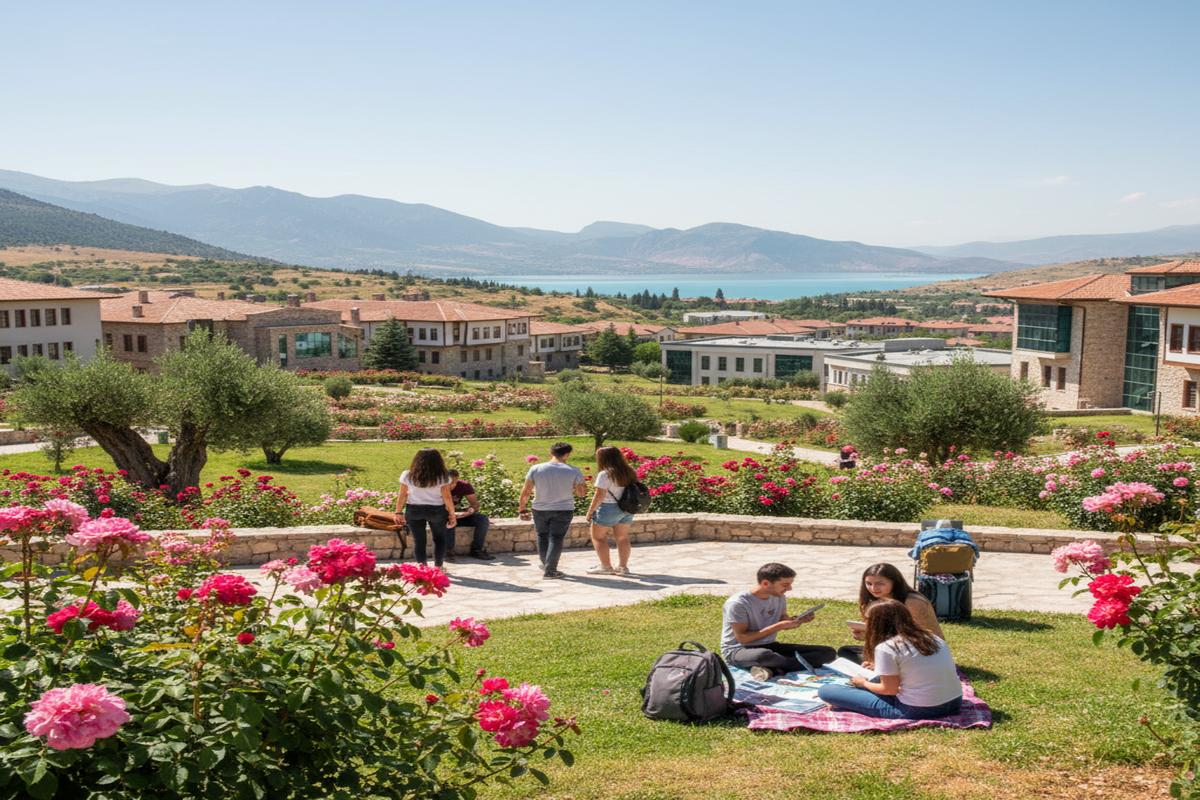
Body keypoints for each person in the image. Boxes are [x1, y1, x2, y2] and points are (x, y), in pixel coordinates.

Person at [818, 599, 962, 720]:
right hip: (954, 702)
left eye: (867, 620)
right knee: (873, 679)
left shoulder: (887, 647)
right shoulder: (931, 637)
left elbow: (889, 690)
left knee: (827, 691)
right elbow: (913, 667)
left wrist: (863, 683)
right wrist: (878, 667)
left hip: (916, 709)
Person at [720, 563, 837, 681]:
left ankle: (775, 669)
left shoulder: (779, 596)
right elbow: (742, 638)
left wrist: (798, 621)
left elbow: (783, 620)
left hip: (769, 646)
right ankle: (781, 666)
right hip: (738, 650)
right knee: (763, 656)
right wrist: (778, 626)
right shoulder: (738, 603)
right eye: (785, 585)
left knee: (828, 652)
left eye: (790, 584)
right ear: (766, 583)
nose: (789, 589)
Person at [838, 562, 943, 664]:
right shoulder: (871, 602)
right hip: (891, 649)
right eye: (869, 584)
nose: (873, 588)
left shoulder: (912, 602)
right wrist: (865, 635)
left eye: (880, 583)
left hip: (920, 651)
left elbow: (922, 637)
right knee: (845, 651)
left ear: (895, 582)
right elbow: (882, 635)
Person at [517, 442, 587, 579]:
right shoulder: (573, 470)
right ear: (567, 454)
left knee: (542, 535)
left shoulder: (536, 469)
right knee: (556, 538)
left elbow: (526, 491)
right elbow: (581, 494)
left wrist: (522, 508)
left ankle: (546, 564)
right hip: (563, 509)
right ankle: (550, 571)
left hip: (540, 508)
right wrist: (574, 486)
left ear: (551, 453)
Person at [394, 448, 457, 568]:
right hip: (437, 510)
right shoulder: (443, 477)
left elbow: (402, 495)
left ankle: (423, 569)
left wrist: (398, 512)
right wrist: (452, 514)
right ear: (438, 461)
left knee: (419, 541)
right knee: (439, 539)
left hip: (414, 510)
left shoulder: (407, 475)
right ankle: (438, 567)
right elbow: (447, 497)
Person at [584, 446, 638, 576]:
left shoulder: (605, 474)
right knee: (622, 538)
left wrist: (590, 511)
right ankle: (623, 567)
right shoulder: (629, 470)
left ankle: (606, 567)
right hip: (627, 508)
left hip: (608, 508)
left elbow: (599, 495)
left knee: (598, 538)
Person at [445, 469, 494, 561]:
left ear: (457, 479)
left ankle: (476, 550)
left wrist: (470, 511)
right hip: (443, 516)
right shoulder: (437, 487)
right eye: (449, 483)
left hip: (458, 515)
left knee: (482, 519)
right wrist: (451, 514)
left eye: (454, 483)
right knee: (450, 522)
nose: (451, 486)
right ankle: (448, 552)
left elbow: (475, 504)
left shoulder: (464, 485)